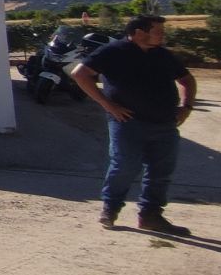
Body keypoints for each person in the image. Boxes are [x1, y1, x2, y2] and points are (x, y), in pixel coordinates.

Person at [70, 14, 198, 236]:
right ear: (139, 32)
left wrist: (186, 107)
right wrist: (109, 105)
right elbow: (80, 74)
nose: (162, 35)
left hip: (165, 123)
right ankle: (110, 209)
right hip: (128, 122)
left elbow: (187, 80)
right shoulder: (113, 52)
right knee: (125, 165)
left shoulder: (163, 55)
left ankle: (151, 215)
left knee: (161, 171)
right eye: (158, 31)